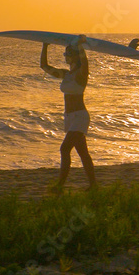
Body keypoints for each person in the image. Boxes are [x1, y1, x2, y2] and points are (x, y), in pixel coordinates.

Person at [40, 35, 96, 192]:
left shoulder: (81, 74)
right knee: (83, 153)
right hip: (70, 118)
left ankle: (59, 186)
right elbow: (44, 66)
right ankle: (93, 186)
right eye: (65, 54)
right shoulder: (66, 74)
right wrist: (45, 45)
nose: (65, 56)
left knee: (64, 149)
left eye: (67, 54)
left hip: (80, 116)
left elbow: (85, 62)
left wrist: (80, 46)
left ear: (74, 56)